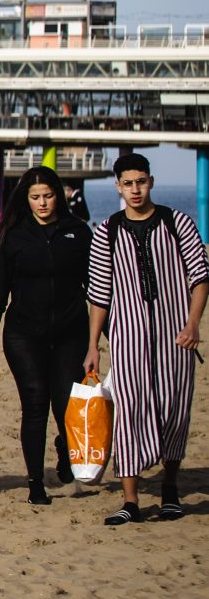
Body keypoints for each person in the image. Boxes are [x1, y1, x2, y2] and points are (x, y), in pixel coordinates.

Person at [84, 152, 208, 526]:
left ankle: (169, 491)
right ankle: (131, 500)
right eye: (128, 183)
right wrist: (93, 345)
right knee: (129, 413)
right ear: (118, 186)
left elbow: (200, 278)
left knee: (174, 412)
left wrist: (193, 324)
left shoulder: (177, 222)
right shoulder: (107, 232)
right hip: (127, 338)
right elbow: (99, 293)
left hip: (176, 338)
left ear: (150, 182)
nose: (135, 190)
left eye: (141, 182)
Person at [0, 166, 93, 505]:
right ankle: (35, 483)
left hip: (71, 333)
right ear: (26, 199)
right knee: (36, 403)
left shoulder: (78, 233)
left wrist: (105, 331)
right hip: (24, 335)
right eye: (36, 197)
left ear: (59, 196)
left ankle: (65, 450)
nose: (43, 203)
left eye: (49, 196)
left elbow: (96, 287)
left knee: (66, 404)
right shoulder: (13, 236)